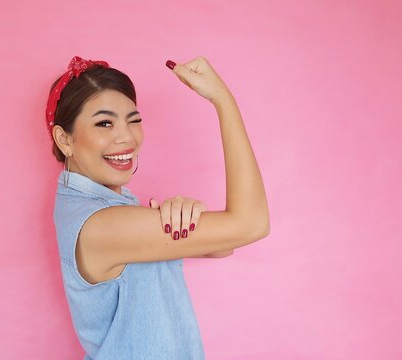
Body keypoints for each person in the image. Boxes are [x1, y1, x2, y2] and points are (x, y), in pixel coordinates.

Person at [48, 55, 270, 360]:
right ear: (64, 139)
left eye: (134, 120)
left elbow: (223, 246)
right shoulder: (100, 224)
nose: (127, 137)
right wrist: (223, 100)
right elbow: (250, 225)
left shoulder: (104, 205)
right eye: (104, 123)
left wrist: (184, 214)